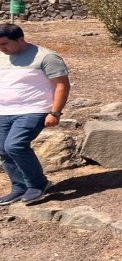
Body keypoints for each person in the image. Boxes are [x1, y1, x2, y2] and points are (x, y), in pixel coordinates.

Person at [0, 23, 70, 206]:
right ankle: (19, 187)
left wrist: (55, 112)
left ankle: (38, 184)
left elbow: (62, 85)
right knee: (3, 150)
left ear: (20, 39)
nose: (1, 48)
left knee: (15, 145)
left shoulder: (46, 57)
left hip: (34, 109)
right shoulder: (1, 56)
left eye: (4, 44)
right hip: (4, 111)